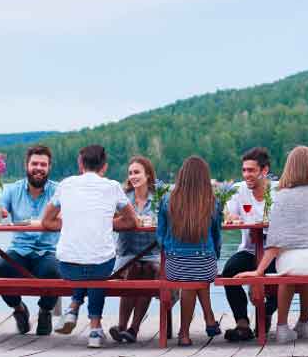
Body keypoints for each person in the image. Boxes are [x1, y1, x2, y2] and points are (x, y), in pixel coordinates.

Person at [236, 146, 308, 343]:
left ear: (290, 168)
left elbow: (275, 242)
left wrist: (259, 271)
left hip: (293, 262)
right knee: (306, 268)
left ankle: (282, 327)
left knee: (290, 266)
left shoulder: (282, 196)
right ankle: (303, 323)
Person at [41, 145, 138, 348]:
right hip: (101, 266)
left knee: (86, 262)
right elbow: (132, 222)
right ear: (104, 167)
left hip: (68, 266)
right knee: (96, 267)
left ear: (80, 164)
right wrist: (105, 222)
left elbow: (47, 221)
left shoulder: (66, 185)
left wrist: (70, 222)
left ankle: (74, 308)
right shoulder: (112, 187)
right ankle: (94, 328)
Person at [0, 145, 59, 336]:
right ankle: (19, 308)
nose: (39, 168)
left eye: (43, 164)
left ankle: (45, 311)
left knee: (55, 273)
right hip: (19, 249)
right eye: (34, 163)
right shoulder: (12, 190)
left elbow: (72, 217)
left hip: (48, 250)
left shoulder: (59, 191)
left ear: (49, 167)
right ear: (27, 165)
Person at [156, 156, 222, 347]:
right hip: (205, 263)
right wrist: (214, 256)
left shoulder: (168, 199)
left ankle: (189, 331)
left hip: (175, 264)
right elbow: (217, 237)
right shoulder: (212, 201)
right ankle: (200, 324)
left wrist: (170, 250)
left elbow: (159, 235)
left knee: (190, 280)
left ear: (182, 176)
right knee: (196, 278)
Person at [221, 147, 278, 342]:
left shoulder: (277, 192)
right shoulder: (239, 190)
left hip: (274, 251)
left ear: (264, 170)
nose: (246, 175)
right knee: (229, 272)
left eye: (251, 170)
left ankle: (267, 313)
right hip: (249, 250)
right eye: (244, 170)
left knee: (280, 277)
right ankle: (242, 324)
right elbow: (227, 214)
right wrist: (231, 216)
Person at [108, 156, 161, 344]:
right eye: (130, 173)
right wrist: (123, 222)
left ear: (148, 175)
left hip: (153, 255)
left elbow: (170, 225)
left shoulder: (159, 198)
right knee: (135, 269)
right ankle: (124, 327)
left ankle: (132, 328)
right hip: (127, 255)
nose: (133, 176)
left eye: (137, 172)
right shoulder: (122, 198)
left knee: (147, 269)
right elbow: (108, 221)